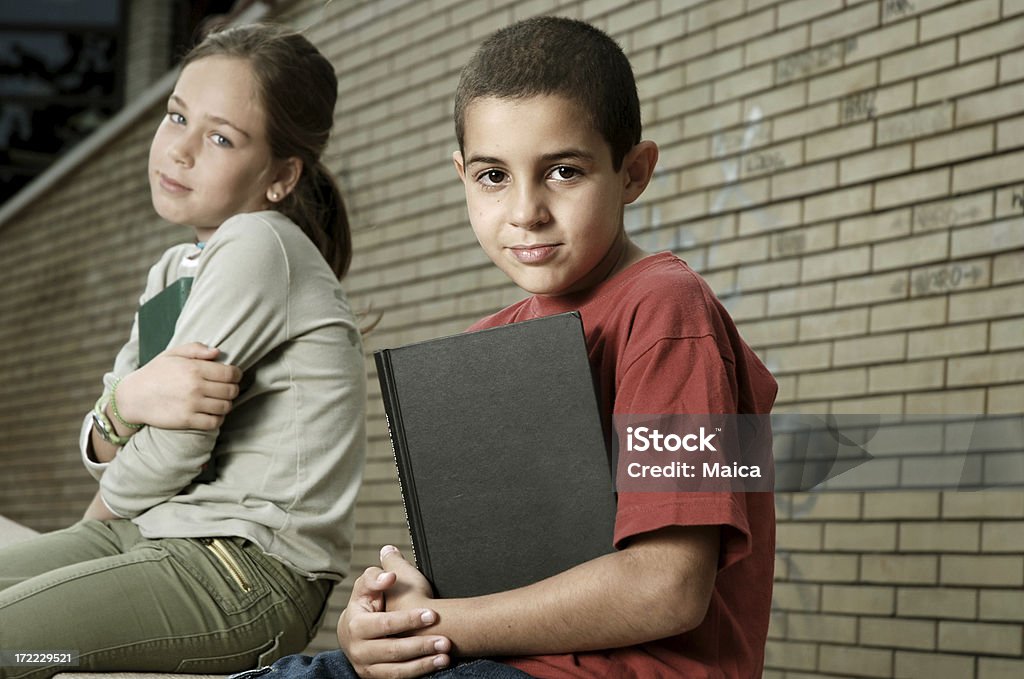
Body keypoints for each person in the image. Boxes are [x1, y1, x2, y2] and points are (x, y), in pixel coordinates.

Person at [255, 15, 777, 679]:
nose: (526, 210)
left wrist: (437, 623)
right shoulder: (489, 346)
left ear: (634, 172)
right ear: (461, 175)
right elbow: (487, 583)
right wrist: (389, 621)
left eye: (563, 171)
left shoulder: (671, 312)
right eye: (493, 176)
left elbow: (668, 586)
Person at [0, 24, 366, 678]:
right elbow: (110, 422)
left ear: (281, 175)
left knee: (10, 645)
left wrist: (120, 422)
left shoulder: (258, 244)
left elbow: (173, 443)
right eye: (176, 117)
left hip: (240, 573)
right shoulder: (176, 267)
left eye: (221, 138)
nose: (180, 150)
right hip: (149, 533)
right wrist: (129, 400)